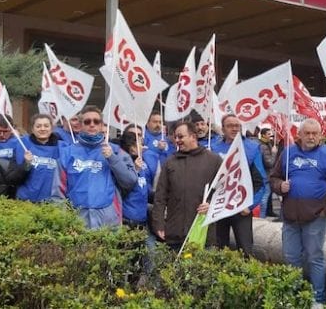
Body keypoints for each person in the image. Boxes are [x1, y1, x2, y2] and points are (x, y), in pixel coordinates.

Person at [269, 118, 326, 306]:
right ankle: (295, 295)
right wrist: (280, 186)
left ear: (320, 136)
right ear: (299, 135)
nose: (311, 136)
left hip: (315, 218)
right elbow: (273, 178)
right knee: (291, 257)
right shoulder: (288, 153)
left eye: (314, 133)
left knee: (315, 258)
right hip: (290, 218)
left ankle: (317, 299)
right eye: (307, 133)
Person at [59, 106, 137, 229]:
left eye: (96, 121)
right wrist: (64, 221)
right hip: (76, 222)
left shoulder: (116, 151)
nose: (92, 124)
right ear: (80, 125)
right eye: (87, 121)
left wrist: (112, 158)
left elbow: (130, 181)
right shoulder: (67, 153)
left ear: (101, 125)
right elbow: (58, 192)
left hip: (108, 222)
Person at [152, 121, 222, 250]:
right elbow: (160, 197)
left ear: (193, 137)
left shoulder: (214, 160)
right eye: (175, 137)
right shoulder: (170, 162)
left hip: (203, 233)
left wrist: (211, 205)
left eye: (181, 136)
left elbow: (225, 191)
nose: (177, 140)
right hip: (175, 234)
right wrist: (159, 224)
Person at [210, 114, 265, 256]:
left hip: (241, 207)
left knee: (246, 249)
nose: (234, 129)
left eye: (237, 126)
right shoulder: (213, 147)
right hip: (219, 206)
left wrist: (250, 205)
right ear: (223, 128)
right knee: (219, 249)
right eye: (230, 126)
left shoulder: (252, 148)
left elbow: (260, 182)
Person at [17, 114, 66, 203]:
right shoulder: (22, 144)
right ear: (32, 129)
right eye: (38, 126)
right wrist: (26, 164)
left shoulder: (63, 147)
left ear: (52, 128)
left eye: (46, 126)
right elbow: (14, 176)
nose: (42, 129)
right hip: (27, 201)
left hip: (53, 202)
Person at [258, 127, 279, 217]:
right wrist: (274, 153)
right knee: (264, 197)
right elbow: (269, 163)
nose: (271, 136)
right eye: (268, 134)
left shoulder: (266, 144)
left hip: (264, 175)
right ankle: (261, 217)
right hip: (265, 175)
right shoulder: (264, 146)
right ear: (263, 135)